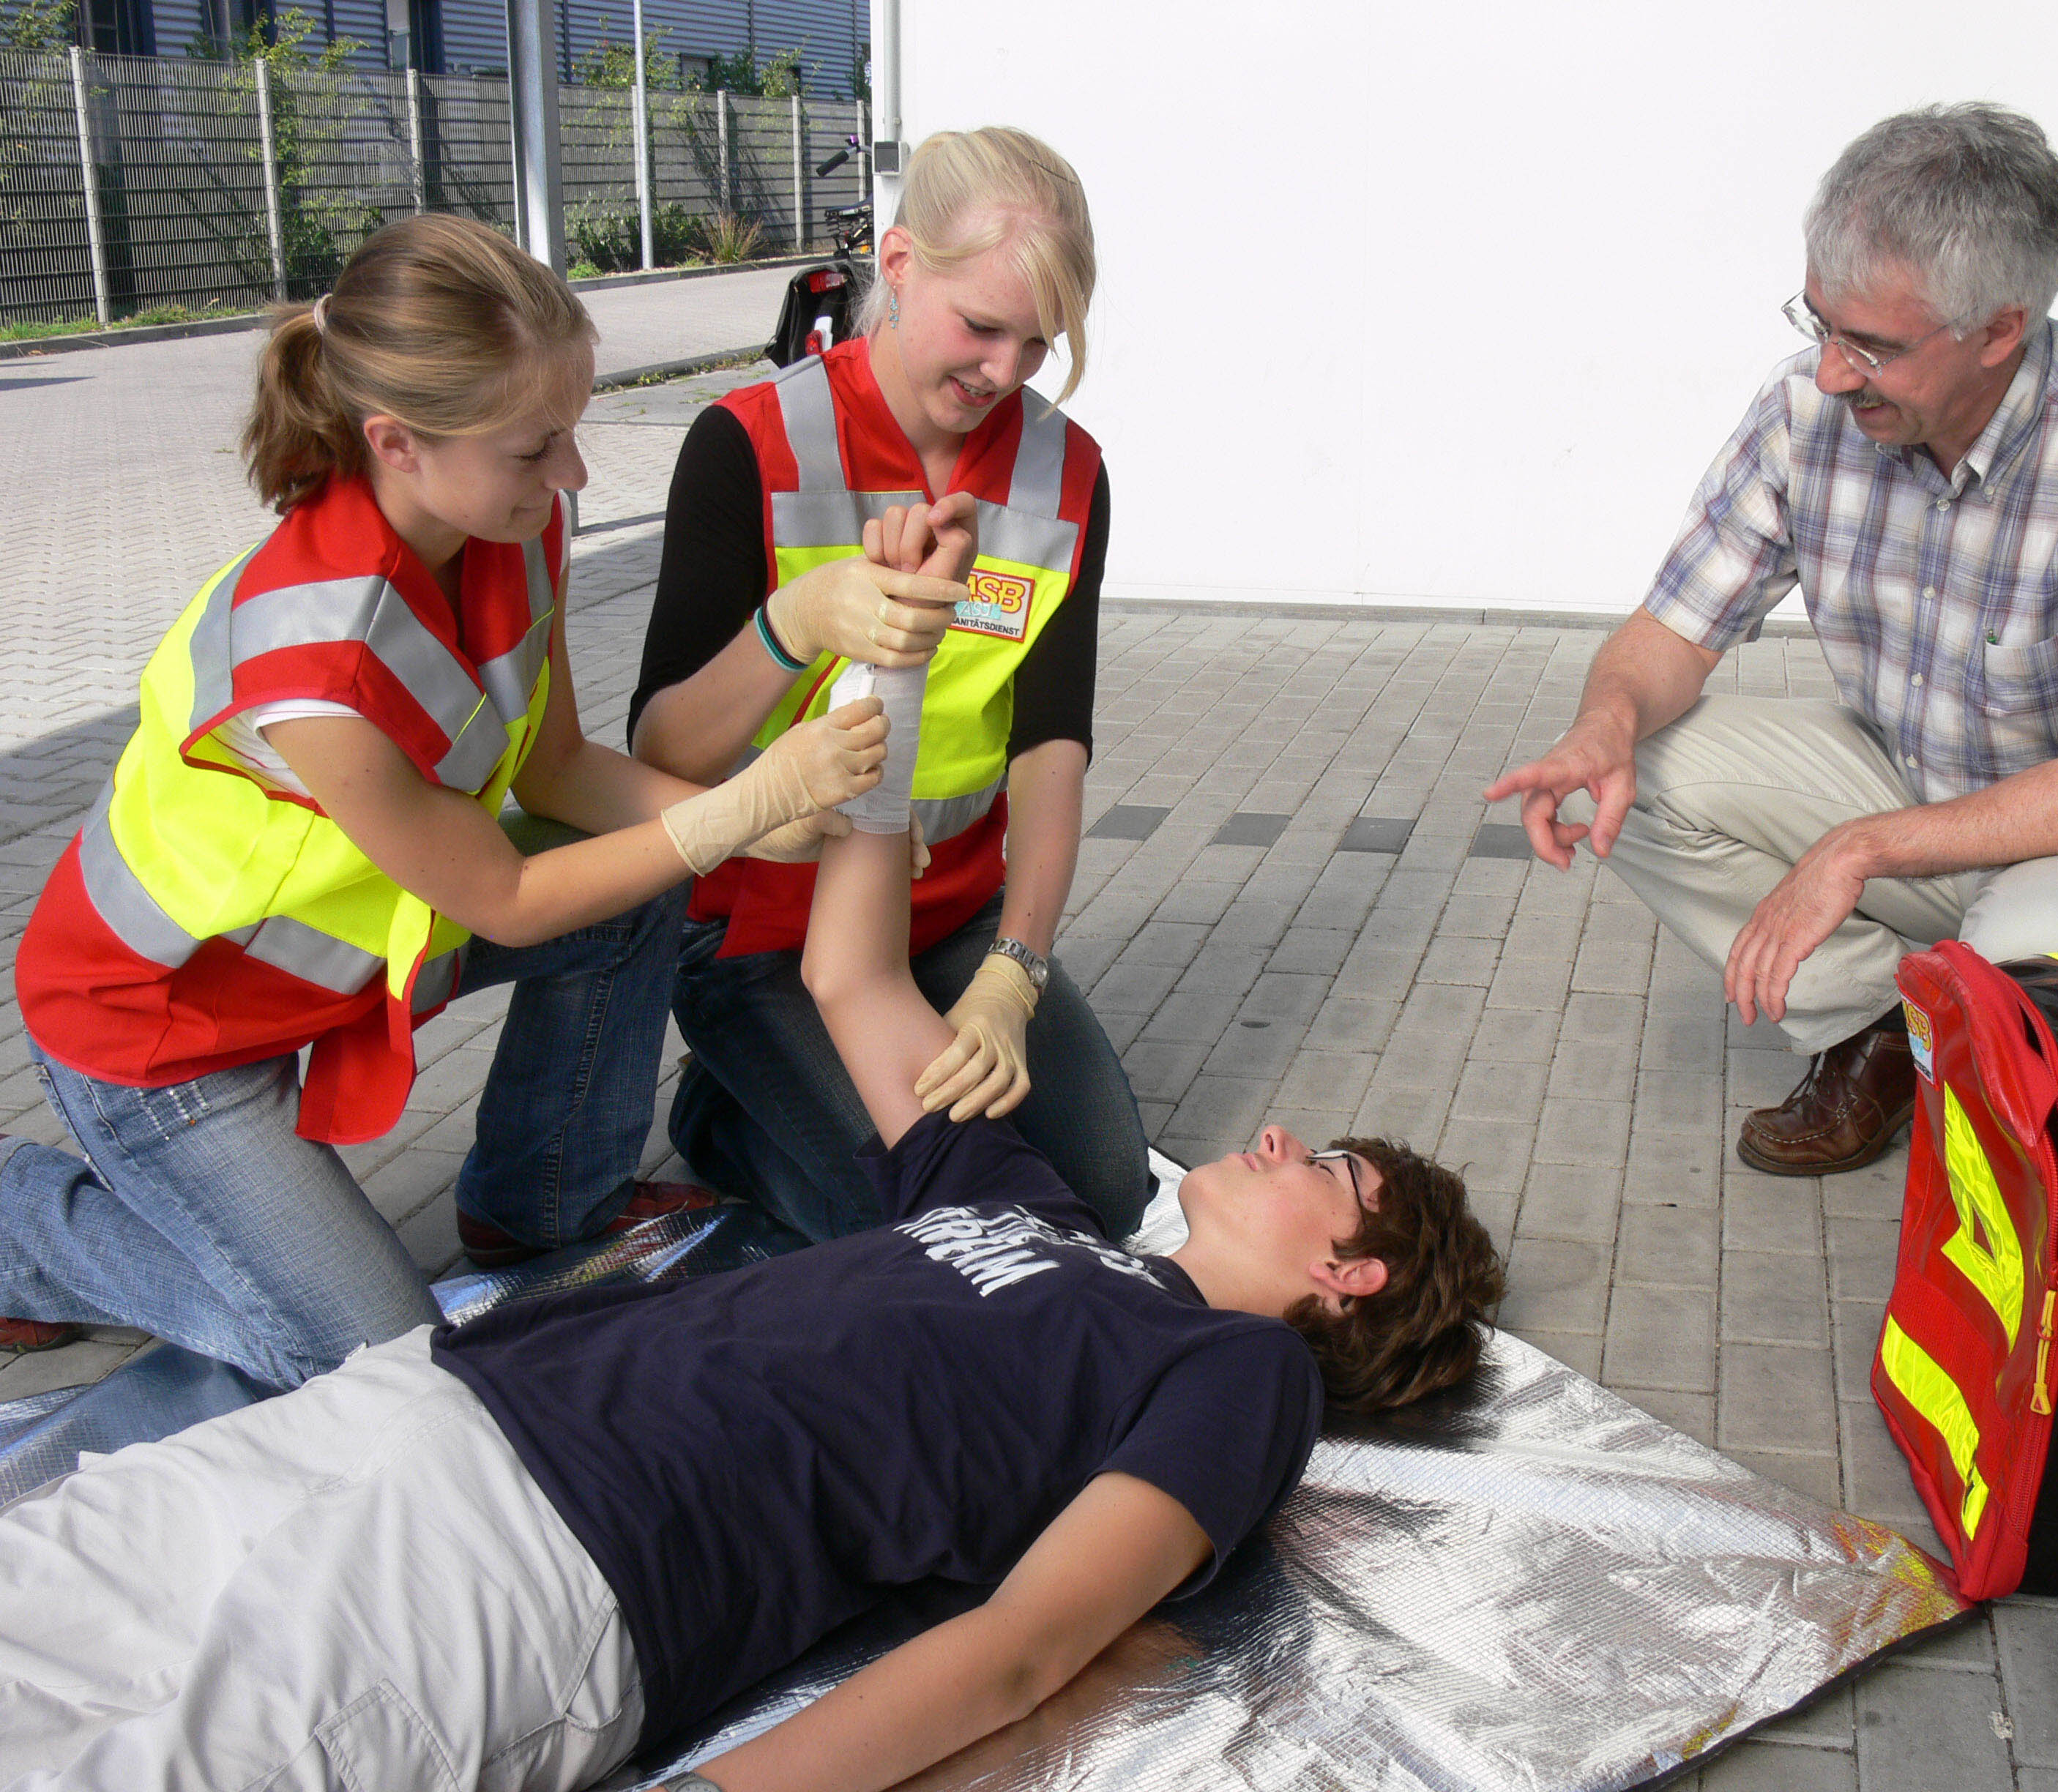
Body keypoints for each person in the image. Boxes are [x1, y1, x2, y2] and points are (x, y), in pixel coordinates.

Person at [0, 673, 1507, 1791]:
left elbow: (1028, 1647)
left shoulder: (1242, 1383)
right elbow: (854, 981)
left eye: (1326, 1163)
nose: (1269, 1137)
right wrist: (888, 683)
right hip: (448, 1405)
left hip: (569, 1566)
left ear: (1348, 1272)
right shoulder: (1032, 1208)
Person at [0, 214, 892, 1387]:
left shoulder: (511, 521)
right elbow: (511, 897)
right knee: (369, 1363)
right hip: (164, 1036)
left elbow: (560, 773)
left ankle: (541, 1214)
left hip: (327, 975)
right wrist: (734, 807)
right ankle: (28, 1228)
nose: (573, 473)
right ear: (397, 442)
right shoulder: (311, 663)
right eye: (538, 447)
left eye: (570, 432)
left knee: (633, 893)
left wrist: (753, 816)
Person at [1489, 103, 2058, 1177]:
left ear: (2000, 330)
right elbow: (1672, 628)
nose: (1834, 374)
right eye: (1820, 325)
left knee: (2006, 984)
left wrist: (1852, 852)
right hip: (1917, 783)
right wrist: (1603, 724)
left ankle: (1968, 1029)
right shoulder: (1807, 407)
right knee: (1642, 767)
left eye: (1875, 347)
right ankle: (1869, 1031)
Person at [629, 124, 1152, 1247]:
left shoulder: (1069, 474)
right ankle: (724, 1107)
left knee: (1105, 1199)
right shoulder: (748, 445)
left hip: (952, 920)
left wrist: (1016, 971)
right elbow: (663, 747)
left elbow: (1053, 745)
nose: (1005, 373)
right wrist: (792, 623)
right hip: (759, 936)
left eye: (1039, 344)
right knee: (921, 1230)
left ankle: (778, 1093)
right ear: (902, 265)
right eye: (981, 327)